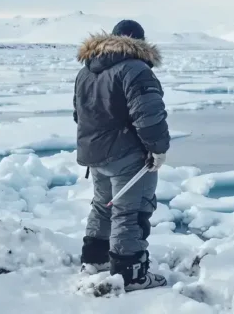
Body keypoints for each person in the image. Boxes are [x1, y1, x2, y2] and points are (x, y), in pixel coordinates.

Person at [73, 19, 170, 291]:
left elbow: (78, 115)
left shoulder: (86, 71)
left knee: (102, 207)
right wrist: (158, 148)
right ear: (139, 41)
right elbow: (149, 115)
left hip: (95, 154)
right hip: (128, 156)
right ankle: (131, 273)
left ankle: (95, 259)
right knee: (131, 211)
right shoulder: (136, 69)